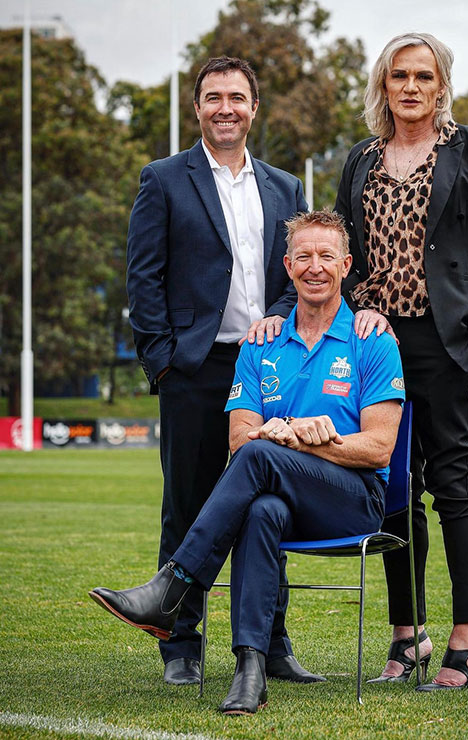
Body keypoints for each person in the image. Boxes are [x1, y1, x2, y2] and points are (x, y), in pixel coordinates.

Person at [90, 210, 405, 714]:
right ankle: (250, 668)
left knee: (261, 457)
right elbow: (240, 439)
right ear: (287, 265)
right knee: (261, 511)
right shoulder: (261, 344)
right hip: (282, 495)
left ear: (346, 265)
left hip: (353, 500)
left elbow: (380, 449)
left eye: (327, 256)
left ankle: (172, 588)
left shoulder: (373, 338)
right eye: (303, 256)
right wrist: (272, 435)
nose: (315, 267)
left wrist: (305, 440)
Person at [334, 33, 468, 691]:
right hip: (376, 349)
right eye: (398, 76)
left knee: (454, 486)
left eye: (423, 75)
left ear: (441, 85)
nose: (410, 87)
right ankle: (406, 634)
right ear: (382, 87)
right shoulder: (359, 159)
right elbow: (345, 254)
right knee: (391, 490)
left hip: (446, 344)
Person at [126, 55, 320, 686]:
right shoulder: (163, 180)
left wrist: (284, 322)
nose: (226, 108)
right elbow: (144, 278)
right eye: (214, 98)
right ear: (199, 108)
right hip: (196, 369)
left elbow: (298, 279)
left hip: (268, 370)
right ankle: (180, 644)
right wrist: (164, 363)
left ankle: (273, 642)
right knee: (187, 504)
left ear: (254, 107)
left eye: (238, 97)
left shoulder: (285, 188)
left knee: (268, 506)